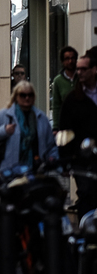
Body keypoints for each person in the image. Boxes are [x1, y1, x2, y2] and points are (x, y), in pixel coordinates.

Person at [0, 80, 57, 171]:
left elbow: (51, 145)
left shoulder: (41, 118)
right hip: (8, 172)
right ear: (16, 97)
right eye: (23, 95)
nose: (27, 98)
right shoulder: (5, 115)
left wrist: (52, 158)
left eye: (30, 95)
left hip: (35, 170)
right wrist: (4, 131)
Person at [58, 49, 97, 213]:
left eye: (83, 69)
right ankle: (86, 233)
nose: (79, 72)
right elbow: (64, 130)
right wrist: (65, 161)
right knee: (86, 195)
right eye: (78, 69)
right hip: (81, 159)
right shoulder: (73, 99)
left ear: (94, 70)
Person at [50, 45, 79, 129]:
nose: (70, 61)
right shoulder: (58, 81)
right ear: (62, 61)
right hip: (66, 123)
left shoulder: (81, 77)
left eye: (72, 58)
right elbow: (56, 105)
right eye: (67, 59)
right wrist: (56, 126)